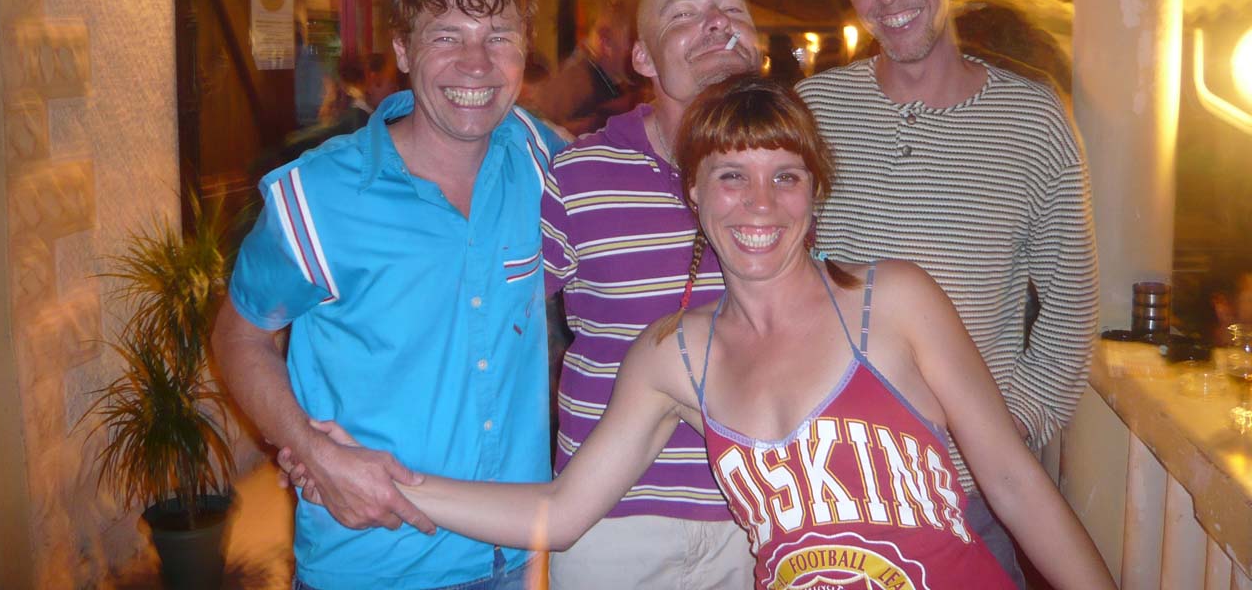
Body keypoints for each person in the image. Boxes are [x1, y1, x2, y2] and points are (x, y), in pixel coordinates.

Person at [291, 76, 1116, 590]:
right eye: (731, 176)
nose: (759, 204)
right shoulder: (673, 356)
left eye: (785, 176)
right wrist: (384, 481)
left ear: (815, 193)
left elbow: (1014, 485)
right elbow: (561, 512)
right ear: (693, 192)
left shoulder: (893, 303)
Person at [212, 0, 566, 590]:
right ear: (402, 50)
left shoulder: (544, 163)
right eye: (446, 37)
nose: (476, 64)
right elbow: (239, 337)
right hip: (373, 559)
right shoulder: (319, 196)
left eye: (499, 37)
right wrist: (312, 452)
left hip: (514, 555)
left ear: (524, 54)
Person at [796, 0, 1099, 581]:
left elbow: (1070, 309)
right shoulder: (810, 111)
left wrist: (1004, 431)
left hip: (967, 500)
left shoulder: (1033, 121)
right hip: (823, 488)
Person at [543, 0, 761, 589]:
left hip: (759, 518)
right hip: (612, 519)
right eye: (684, 12)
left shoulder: (792, 175)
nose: (716, 21)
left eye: (732, 7)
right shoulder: (578, 174)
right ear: (642, 58)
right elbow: (504, 330)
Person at [536, 0, 638, 135]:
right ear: (606, 41)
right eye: (632, 40)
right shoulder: (577, 84)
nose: (638, 50)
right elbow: (546, 133)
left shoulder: (619, 86)